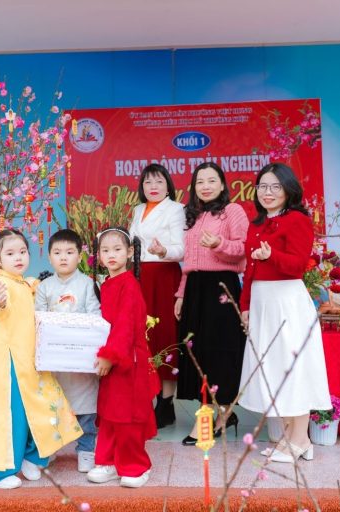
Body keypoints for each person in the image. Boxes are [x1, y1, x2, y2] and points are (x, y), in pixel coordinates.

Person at [238, 163, 332, 463]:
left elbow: (297, 266)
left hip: (287, 302)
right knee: (274, 369)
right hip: (262, 302)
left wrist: (272, 256)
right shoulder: (257, 223)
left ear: (288, 190)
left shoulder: (297, 220)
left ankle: (299, 439)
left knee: (294, 368)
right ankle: (293, 439)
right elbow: (249, 270)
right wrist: (245, 306)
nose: (268, 192)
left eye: (275, 187)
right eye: (263, 186)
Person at [0, 229, 82, 490]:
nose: (18, 257)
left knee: (43, 407)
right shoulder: (0, 285)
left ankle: (32, 457)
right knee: (11, 415)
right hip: (9, 362)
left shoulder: (26, 284)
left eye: (22, 252)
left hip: (32, 359)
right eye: (10, 253)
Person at [173, 163, 249, 445]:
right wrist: (181, 294)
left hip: (221, 288)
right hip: (195, 288)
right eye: (200, 182)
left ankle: (220, 415)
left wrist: (219, 243)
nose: (205, 186)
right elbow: (189, 262)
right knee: (198, 352)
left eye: (211, 180)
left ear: (222, 184)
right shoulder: (192, 215)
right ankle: (214, 413)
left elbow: (243, 250)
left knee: (221, 352)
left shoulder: (233, 211)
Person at [87, 227, 159, 488]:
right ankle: (107, 462)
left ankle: (135, 466)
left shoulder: (129, 285)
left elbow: (125, 326)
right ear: (98, 256)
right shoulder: (107, 284)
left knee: (128, 416)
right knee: (108, 413)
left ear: (129, 252)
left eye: (117, 249)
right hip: (114, 358)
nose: (111, 255)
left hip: (129, 361)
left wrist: (109, 356)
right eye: (105, 250)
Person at [35, 228, 102, 473]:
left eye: (69, 252)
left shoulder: (88, 284)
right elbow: (38, 319)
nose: (63, 257)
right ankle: (51, 448)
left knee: (85, 407)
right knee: (53, 405)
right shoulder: (44, 287)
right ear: (49, 257)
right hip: (54, 358)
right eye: (57, 252)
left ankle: (86, 450)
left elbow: (95, 317)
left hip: (80, 357)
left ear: (79, 255)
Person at [128, 163, 185, 428]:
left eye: (159, 182)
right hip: (139, 277)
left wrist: (163, 252)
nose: (153, 187)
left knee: (164, 335)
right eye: (148, 182)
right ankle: (148, 396)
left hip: (163, 276)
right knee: (143, 336)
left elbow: (181, 249)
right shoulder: (138, 210)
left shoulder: (176, 209)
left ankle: (166, 402)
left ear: (168, 186)